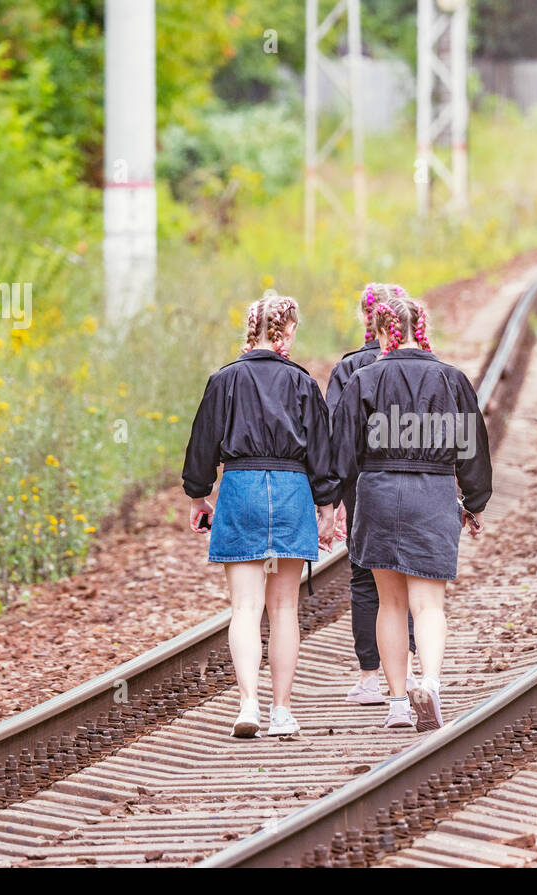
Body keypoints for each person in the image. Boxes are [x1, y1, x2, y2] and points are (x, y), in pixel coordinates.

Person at [331, 296, 492, 731]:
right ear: (422, 329)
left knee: (390, 603)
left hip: (378, 492)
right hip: (433, 491)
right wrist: (474, 502)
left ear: (383, 332)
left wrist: (331, 503)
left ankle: (398, 703)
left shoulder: (363, 379)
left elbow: (341, 452)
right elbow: (473, 447)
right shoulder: (451, 379)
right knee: (428, 604)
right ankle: (432, 684)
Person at [182, 294, 337, 739]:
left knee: (245, 608)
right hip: (290, 491)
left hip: (241, 489)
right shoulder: (304, 384)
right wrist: (326, 507)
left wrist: (198, 496)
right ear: (287, 332)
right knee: (284, 606)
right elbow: (321, 453)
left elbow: (202, 444)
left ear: (251, 330)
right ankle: (281, 711)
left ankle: (247, 702)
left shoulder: (223, 380)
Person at [326, 283, 417, 705]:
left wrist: (331, 498)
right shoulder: (421, 365)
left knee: (365, 579)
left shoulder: (350, 369)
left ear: (366, 317)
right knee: (412, 575)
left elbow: (334, 436)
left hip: (363, 485)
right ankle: (411, 670)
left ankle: (370, 678)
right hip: (414, 480)